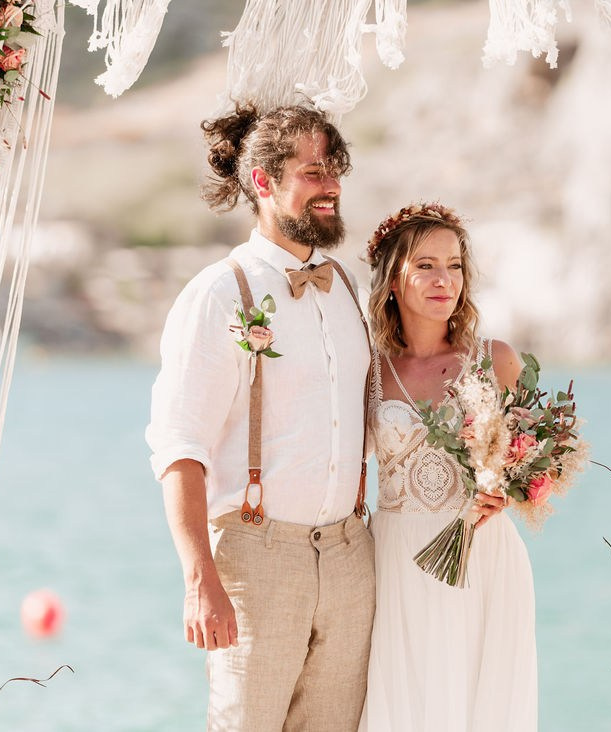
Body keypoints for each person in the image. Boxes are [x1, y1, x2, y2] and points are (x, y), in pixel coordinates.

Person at [146, 105, 375, 731]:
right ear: (263, 181)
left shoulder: (346, 288)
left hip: (354, 557)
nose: (330, 185)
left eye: (335, 169)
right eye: (312, 171)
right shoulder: (219, 293)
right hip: (257, 558)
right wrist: (200, 576)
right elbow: (178, 444)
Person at [359, 203, 538, 731]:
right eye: (427, 265)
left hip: (482, 553)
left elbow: (533, 466)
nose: (445, 280)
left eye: (455, 265)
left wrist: (508, 489)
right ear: (393, 278)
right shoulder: (368, 372)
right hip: (395, 558)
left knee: (481, 704)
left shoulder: (495, 359)